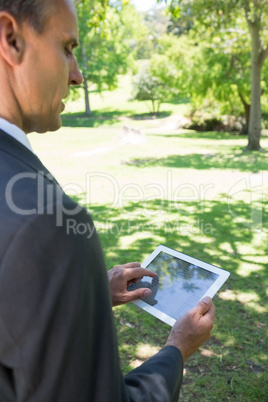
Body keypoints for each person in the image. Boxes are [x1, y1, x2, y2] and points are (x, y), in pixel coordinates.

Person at [0, 0, 215, 401]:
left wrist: (88, 292)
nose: (77, 75)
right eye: (67, 47)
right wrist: (176, 350)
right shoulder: (46, 221)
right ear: (10, 38)